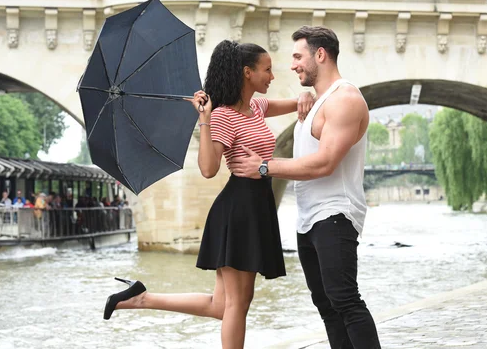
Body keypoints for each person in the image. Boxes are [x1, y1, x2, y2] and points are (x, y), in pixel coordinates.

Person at [103, 40, 314, 349]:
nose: (272, 76)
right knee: (237, 306)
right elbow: (207, 168)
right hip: (240, 210)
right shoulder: (224, 116)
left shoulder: (257, 107)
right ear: (247, 73)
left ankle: (140, 298)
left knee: (222, 305)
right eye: (267, 70)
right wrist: (205, 117)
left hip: (254, 207)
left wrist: (307, 95)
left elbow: (298, 102)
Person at [230, 26, 381, 348]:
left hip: (335, 213)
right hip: (308, 218)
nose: (293, 64)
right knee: (326, 306)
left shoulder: (346, 98)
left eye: (298, 56)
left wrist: (265, 166)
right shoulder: (316, 102)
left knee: (345, 300)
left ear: (321, 55)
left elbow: (326, 162)